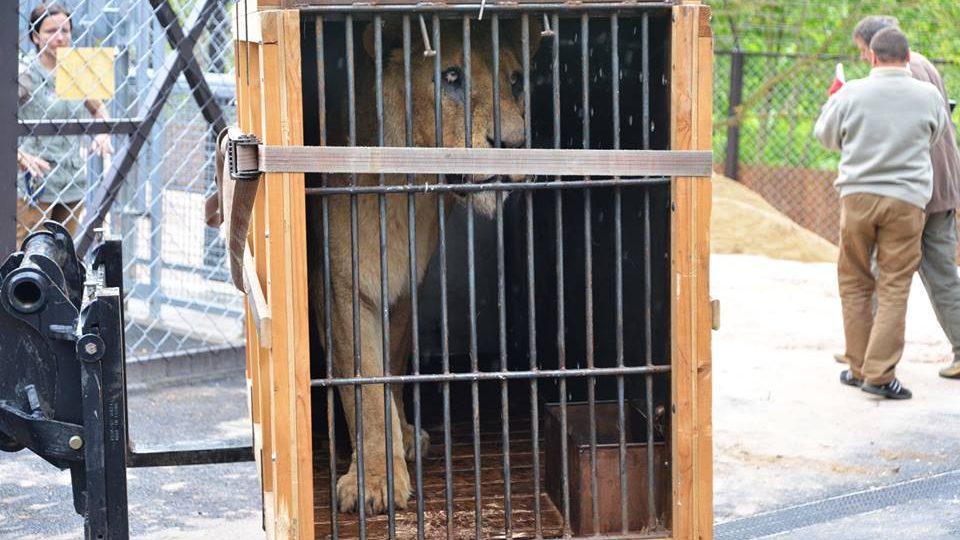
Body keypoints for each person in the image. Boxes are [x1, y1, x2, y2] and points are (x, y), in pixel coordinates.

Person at [815, 26, 948, 399]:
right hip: (906, 202)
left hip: (857, 198)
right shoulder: (928, 95)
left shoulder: (852, 92)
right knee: (894, 286)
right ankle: (880, 375)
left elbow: (825, 137)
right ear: (908, 59)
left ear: (872, 57)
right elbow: (935, 136)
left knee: (855, 283)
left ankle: (857, 368)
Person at [17, 3, 114, 246]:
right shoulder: (26, 73)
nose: (60, 38)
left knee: (65, 256)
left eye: (65, 31)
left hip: (71, 180)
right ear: (35, 36)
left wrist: (102, 134)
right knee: (28, 260)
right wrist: (19, 155)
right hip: (35, 184)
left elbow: (98, 107)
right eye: (51, 32)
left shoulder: (76, 68)